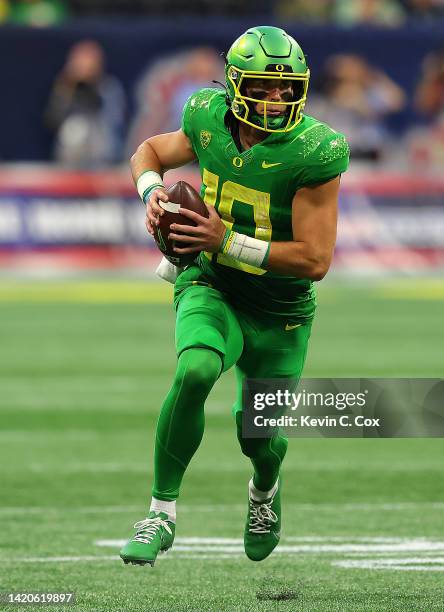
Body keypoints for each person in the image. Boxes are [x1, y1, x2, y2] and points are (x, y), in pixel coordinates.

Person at [119, 25, 349, 566]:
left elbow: (315, 260)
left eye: (287, 88)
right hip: (212, 280)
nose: (276, 98)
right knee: (195, 370)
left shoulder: (316, 151)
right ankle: (160, 512)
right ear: (234, 85)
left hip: (280, 308)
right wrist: (152, 194)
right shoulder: (206, 116)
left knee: (257, 439)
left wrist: (228, 239)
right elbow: (149, 152)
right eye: (265, 87)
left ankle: (264, 492)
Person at [45, 40, 126, 167]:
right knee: (75, 128)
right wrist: (69, 85)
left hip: (103, 157)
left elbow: (114, 123)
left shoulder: (109, 87)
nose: (86, 66)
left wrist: (92, 88)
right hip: (70, 159)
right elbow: (54, 120)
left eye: (90, 60)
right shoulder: (65, 86)